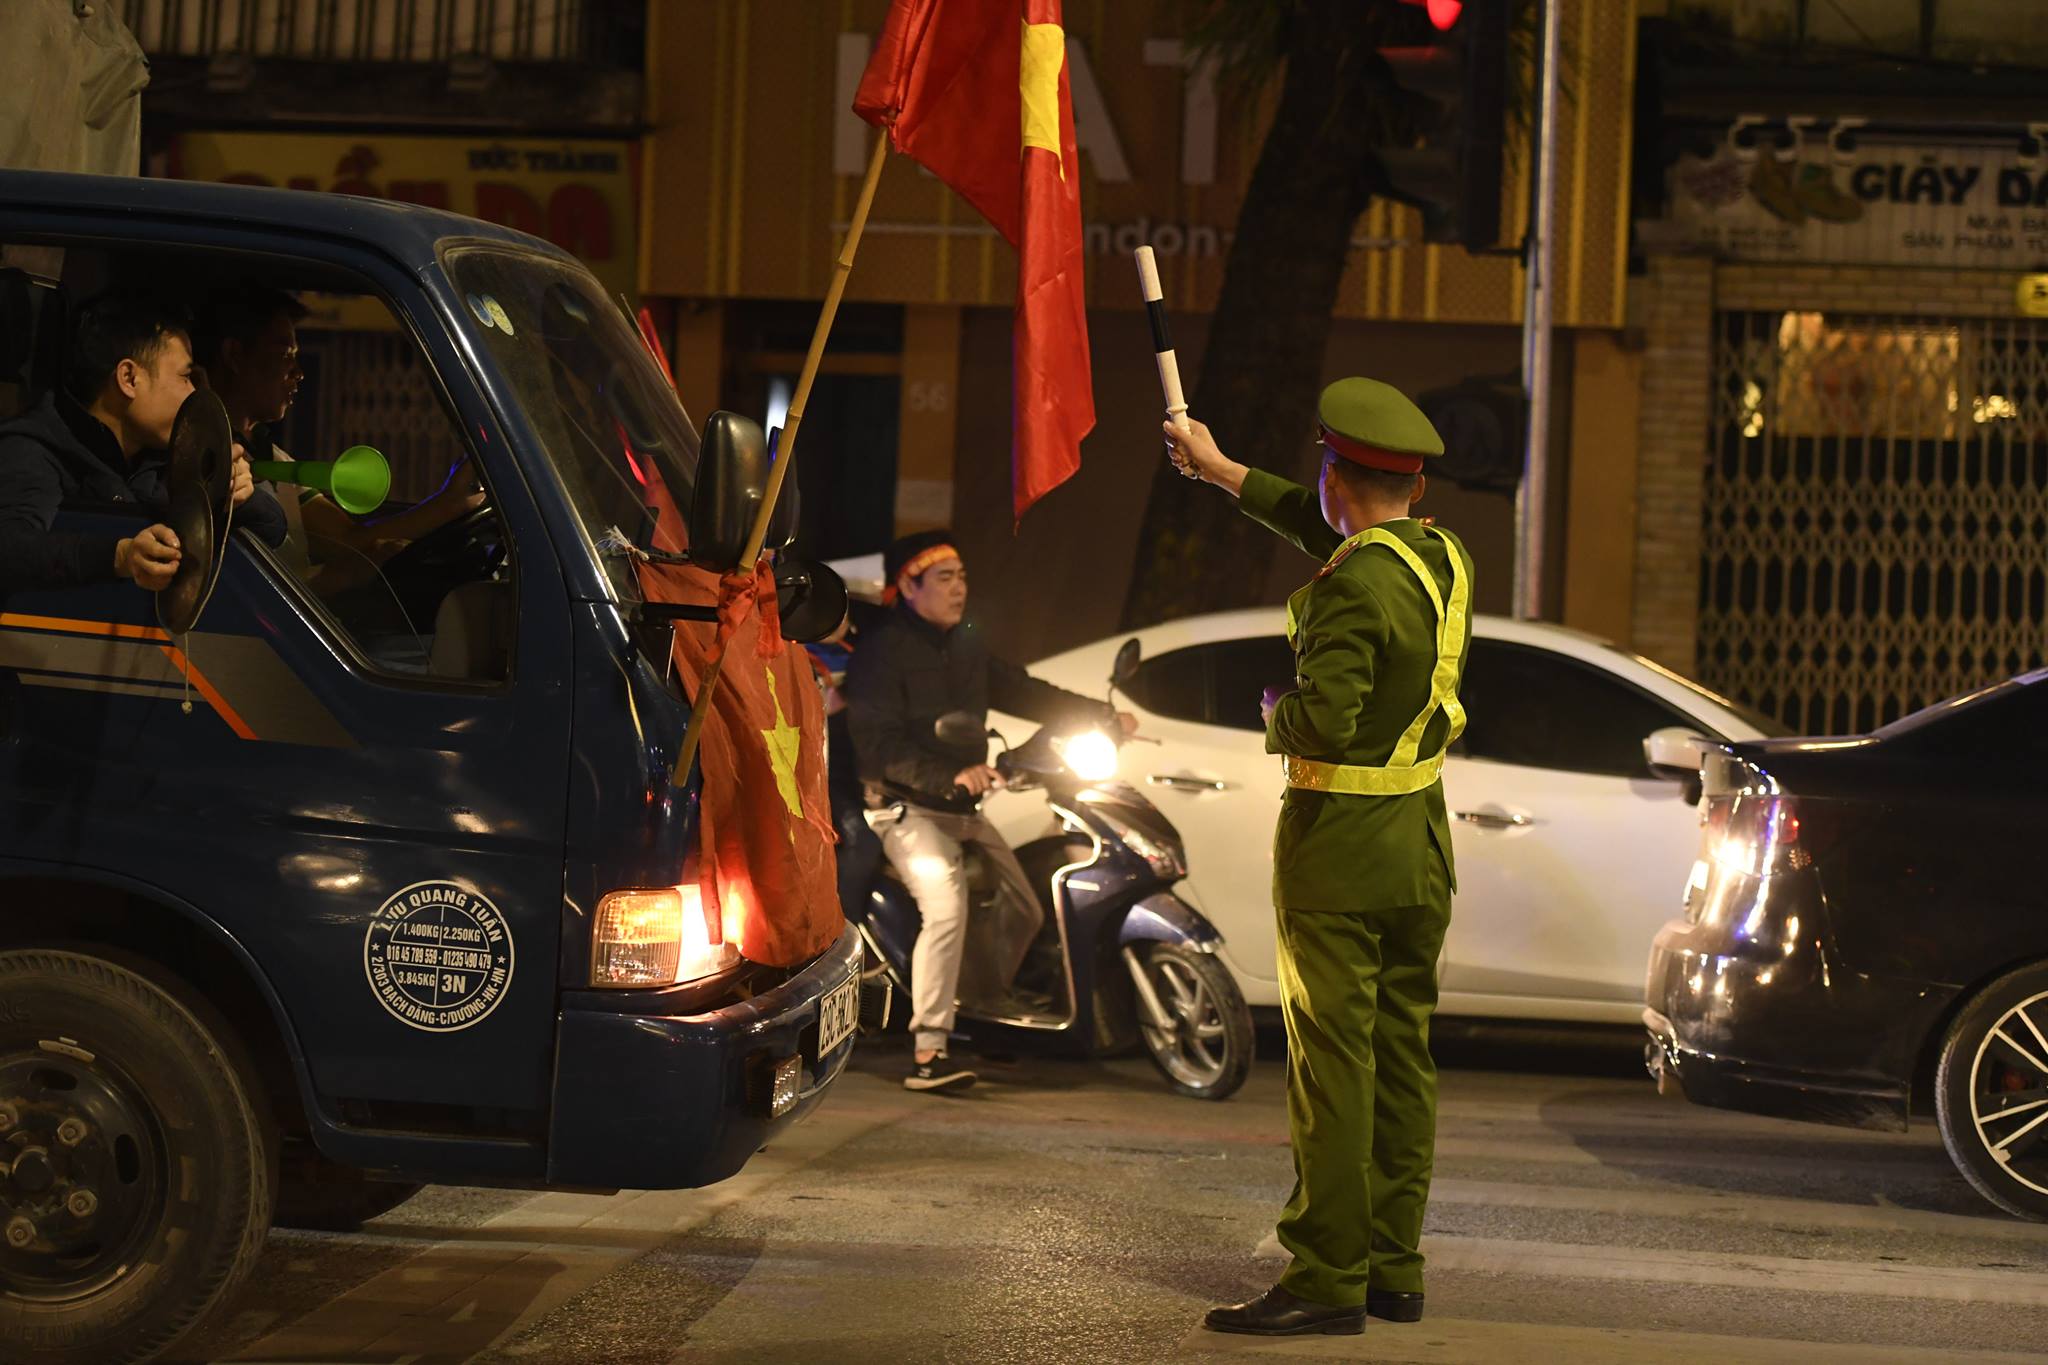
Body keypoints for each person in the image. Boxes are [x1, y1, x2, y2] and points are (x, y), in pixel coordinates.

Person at [1165, 379, 1473, 1338]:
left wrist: (1272, 715)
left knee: (1331, 1067)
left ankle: (1327, 1274)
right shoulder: (1439, 558)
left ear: (1340, 472)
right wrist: (1221, 474)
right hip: (1420, 843)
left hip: (1339, 852)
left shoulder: (1348, 585)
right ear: (1413, 487)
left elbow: (1326, 722)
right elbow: (1329, 526)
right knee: (1400, 1059)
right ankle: (1393, 1265)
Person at [844, 530, 1135, 1093]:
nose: (959, 589)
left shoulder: (968, 646)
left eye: (963, 578)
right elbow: (877, 743)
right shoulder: (883, 653)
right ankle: (929, 1049)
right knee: (946, 907)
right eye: (944, 579)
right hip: (904, 808)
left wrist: (1103, 716)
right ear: (909, 585)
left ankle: (976, 1014)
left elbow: (1024, 690)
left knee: (1025, 906)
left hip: (965, 806)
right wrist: (946, 775)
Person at [194, 285, 485, 593]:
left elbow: (347, 541)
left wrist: (450, 504)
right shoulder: (204, 462)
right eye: (284, 354)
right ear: (234, 355)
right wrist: (345, 575)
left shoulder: (272, 458)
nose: (298, 372)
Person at [0, 290, 282, 596]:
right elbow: (9, 549)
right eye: (185, 377)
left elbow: (273, 531)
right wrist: (120, 557)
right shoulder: (35, 449)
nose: (194, 395)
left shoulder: (163, 456)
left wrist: (240, 495)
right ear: (130, 378)